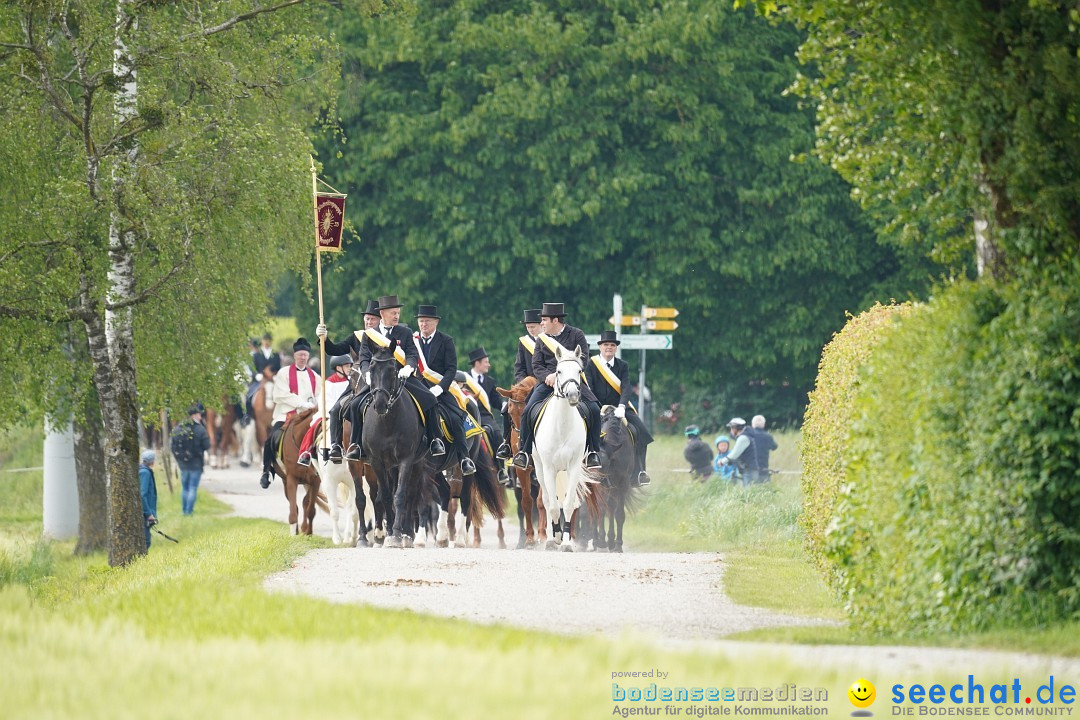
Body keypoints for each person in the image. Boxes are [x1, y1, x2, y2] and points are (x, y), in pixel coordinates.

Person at [513, 302, 602, 471]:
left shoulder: (577, 335)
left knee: (594, 410)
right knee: (527, 411)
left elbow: (583, 360)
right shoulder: (542, 339)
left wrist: (563, 373)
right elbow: (537, 364)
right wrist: (548, 376)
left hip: (572, 382)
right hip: (547, 384)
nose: (542, 324)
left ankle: (592, 451)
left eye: (544, 320)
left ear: (555, 320)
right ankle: (524, 452)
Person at [583, 330, 653, 485]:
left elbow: (626, 387)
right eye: (606, 344)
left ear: (615, 348)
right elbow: (589, 388)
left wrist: (621, 406)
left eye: (612, 345)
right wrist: (597, 407)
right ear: (600, 347)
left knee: (641, 432)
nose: (609, 347)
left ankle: (639, 472)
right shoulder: (591, 365)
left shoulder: (622, 365)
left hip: (619, 407)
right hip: (597, 407)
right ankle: (583, 466)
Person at [412, 304, 476, 475]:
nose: (423, 324)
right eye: (421, 321)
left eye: (426, 321)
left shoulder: (445, 340)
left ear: (435, 322)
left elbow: (451, 369)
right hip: (417, 387)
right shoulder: (413, 341)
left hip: (439, 388)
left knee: (455, 418)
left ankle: (464, 458)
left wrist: (440, 388)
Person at [316, 299, 380, 462]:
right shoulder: (357, 337)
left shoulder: (385, 338)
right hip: (358, 384)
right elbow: (334, 350)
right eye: (366, 318)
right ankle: (336, 447)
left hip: (381, 384)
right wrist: (324, 338)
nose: (368, 321)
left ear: (380, 320)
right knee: (335, 410)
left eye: (372, 319)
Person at [259, 338, 322, 489]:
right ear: (295, 356)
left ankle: (322, 469)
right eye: (300, 355)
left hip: (309, 417)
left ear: (308, 356)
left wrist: (316, 404)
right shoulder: (284, 373)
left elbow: (320, 396)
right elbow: (280, 395)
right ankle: (266, 471)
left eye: (305, 355)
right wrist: (301, 403)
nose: (302, 357)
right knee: (271, 439)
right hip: (287, 415)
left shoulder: (316, 376)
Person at [495, 308, 541, 461]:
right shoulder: (524, 342)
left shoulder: (550, 342)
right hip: (526, 388)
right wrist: (523, 384)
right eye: (528, 326)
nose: (530, 329)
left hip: (545, 385)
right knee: (506, 408)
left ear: (541, 325)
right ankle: (507, 443)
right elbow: (519, 367)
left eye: (533, 326)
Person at [297, 355, 353, 467]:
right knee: (315, 426)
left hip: (350, 414)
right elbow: (325, 402)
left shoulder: (352, 381)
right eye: (347, 366)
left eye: (350, 366)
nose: (350, 368)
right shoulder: (329, 383)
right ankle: (306, 452)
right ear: (338, 368)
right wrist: (339, 411)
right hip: (330, 414)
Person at [171, 403, 211, 513]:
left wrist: (178, 458)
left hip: (182, 464)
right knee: (193, 488)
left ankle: (184, 510)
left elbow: (172, 446)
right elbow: (207, 445)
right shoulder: (200, 429)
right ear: (193, 416)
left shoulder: (178, 428)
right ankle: (189, 512)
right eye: (199, 415)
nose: (200, 417)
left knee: (185, 488)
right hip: (196, 463)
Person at [247, 332, 282, 420]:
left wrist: (275, 375)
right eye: (265, 340)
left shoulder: (276, 355)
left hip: (272, 380)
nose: (266, 342)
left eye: (268, 340)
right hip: (259, 380)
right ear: (262, 341)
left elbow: (278, 367)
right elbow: (252, 368)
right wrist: (257, 375)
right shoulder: (256, 355)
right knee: (249, 396)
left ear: (271, 341)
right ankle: (247, 416)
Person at [718, 417, 761, 485]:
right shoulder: (745, 436)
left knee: (748, 494)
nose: (731, 431)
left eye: (731, 428)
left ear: (736, 428)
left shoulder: (743, 438)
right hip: (749, 470)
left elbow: (735, 454)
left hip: (749, 471)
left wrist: (722, 461)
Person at [139, 450, 158, 549]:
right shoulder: (145, 473)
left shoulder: (144, 471)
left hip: (146, 512)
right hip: (145, 514)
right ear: (152, 461)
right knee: (146, 541)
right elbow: (142, 494)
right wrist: (148, 513)